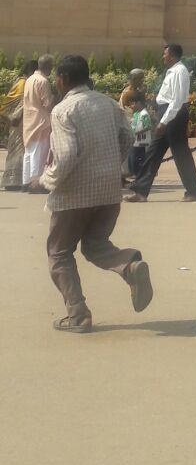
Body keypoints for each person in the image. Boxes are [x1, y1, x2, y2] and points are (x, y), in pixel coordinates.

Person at [41, 54, 153, 333]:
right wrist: (109, 164)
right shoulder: (108, 103)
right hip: (108, 191)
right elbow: (128, 137)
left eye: (57, 78)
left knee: (59, 252)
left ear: (63, 79)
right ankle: (129, 266)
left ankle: (78, 314)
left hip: (74, 195)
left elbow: (65, 155)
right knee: (95, 245)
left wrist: (46, 179)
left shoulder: (63, 110)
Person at [124, 43, 196, 202]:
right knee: (153, 152)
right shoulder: (172, 71)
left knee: (181, 154)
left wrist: (164, 121)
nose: (163, 57)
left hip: (174, 116)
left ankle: (194, 191)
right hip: (167, 114)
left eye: (165, 54)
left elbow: (177, 100)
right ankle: (140, 192)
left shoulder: (179, 71)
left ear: (172, 56)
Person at [22, 54, 55, 193]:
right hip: (41, 122)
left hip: (29, 121)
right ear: (48, 66)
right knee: (39, 154)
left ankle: (26, 182)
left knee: (29, 154)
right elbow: (47, 103)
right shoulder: (43, 81)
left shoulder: (29, 79)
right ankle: (35, 184)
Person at [2, 59, 35, 191]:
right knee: (17, 149)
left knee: (18, 149)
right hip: (18, 120)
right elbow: (21, 103)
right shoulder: (23, 83)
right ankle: (13, 181)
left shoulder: (21, 82)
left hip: (20, 120)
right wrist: (16, 117)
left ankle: (15, 180)